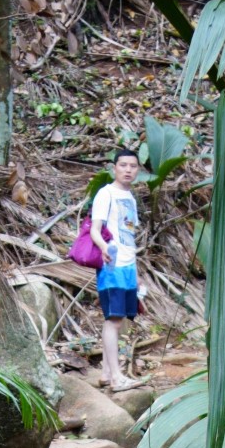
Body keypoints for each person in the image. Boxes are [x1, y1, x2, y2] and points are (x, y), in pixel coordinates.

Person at [90, 147, 142, 392]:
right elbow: (94, 229)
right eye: (123, 165)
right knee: (114, 319)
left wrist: (136, 273)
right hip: (112, 265)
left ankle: (106, 371)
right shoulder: (106, 193)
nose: (128, 170)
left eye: (132, 166)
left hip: (128, 265)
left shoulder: (130, 198)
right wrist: (103, 248)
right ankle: (116, 378)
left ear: (138, 170)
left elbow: (130, 237)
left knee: (117, 320)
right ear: (114, 168)